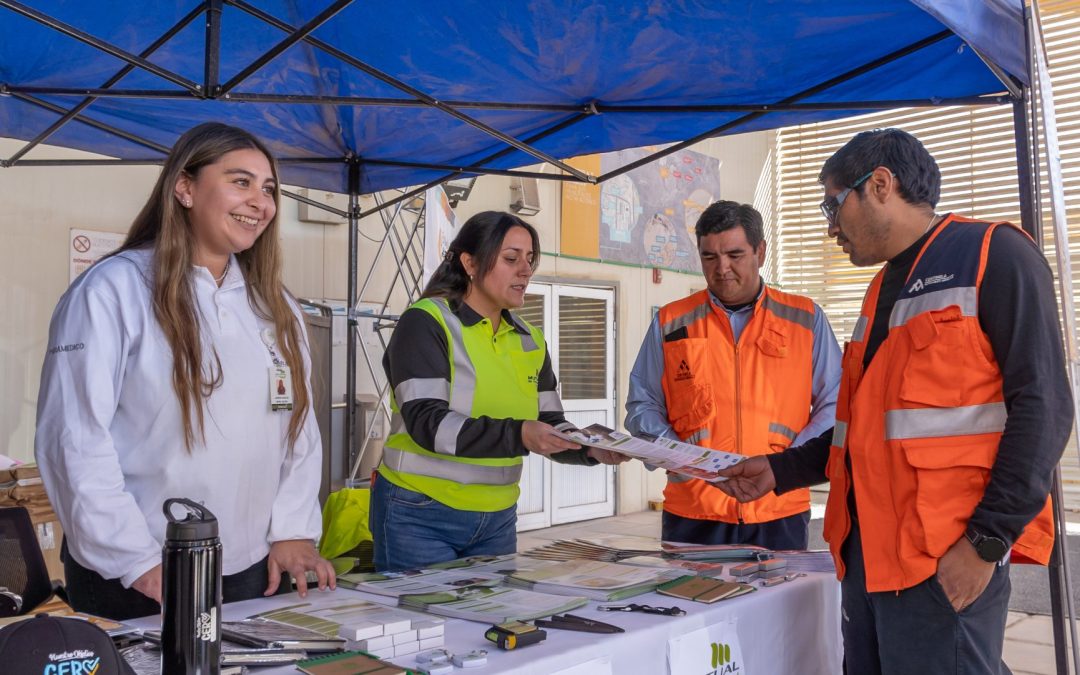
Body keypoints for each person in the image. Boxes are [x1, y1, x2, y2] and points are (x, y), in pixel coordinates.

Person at [716, 128, 1071, 674]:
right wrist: (779, 470)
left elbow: (1045, 410)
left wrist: (985, 543)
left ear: (880, 184)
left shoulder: (993, 256)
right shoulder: (881, 288)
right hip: (867, 563)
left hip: (941, 563)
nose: (829, 225)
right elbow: (859, 429)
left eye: (832, 205)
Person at [35, 122, 335, 620]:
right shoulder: (113, 290)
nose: (260, 202)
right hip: (138, 573)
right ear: (185, 188)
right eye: (241, 182)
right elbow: (75, 438)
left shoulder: (273, 305)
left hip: (249, 569)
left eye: (269, 189)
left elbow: (297, 429)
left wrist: (292, 530)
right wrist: (137, 559)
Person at [372, 211, 626, 572]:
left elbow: (550, 424)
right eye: (511, 258)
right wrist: (520, 434)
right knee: (429, 627)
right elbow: (430, 424)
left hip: (497, 519)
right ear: (470, 262)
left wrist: (591, 449)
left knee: (491, 627)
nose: (525, 270)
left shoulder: (531, 340)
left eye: (529, 259)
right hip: (418, 513)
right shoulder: (426, 322)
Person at [625, 200, 841, 550]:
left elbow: (836, 404)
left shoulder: (805, 318)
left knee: (778, 606)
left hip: (779, 506)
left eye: (735, 255)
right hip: (694, 509)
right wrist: (683, 459)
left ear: (761, 251)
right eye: (709, 257)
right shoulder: (671, 322)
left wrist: (784, 467)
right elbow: (642, 404)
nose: (721, 268)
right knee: (690, 604)